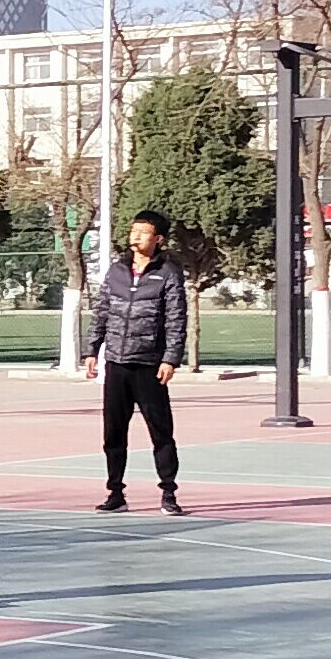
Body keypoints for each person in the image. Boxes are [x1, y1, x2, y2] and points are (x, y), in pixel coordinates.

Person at [89, 211, 189, 514]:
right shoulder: (116, 271)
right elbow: (102, 311)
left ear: (158, 239)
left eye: (143, 232)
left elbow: (176, 320)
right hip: (116, 363)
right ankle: (115, 493)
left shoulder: (168, 273)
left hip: (149, 365)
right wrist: (92, 350)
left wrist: (170, 358)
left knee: (161, 432)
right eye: (134, 231)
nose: (136, 237)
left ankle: (169, 493)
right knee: (113, 433)